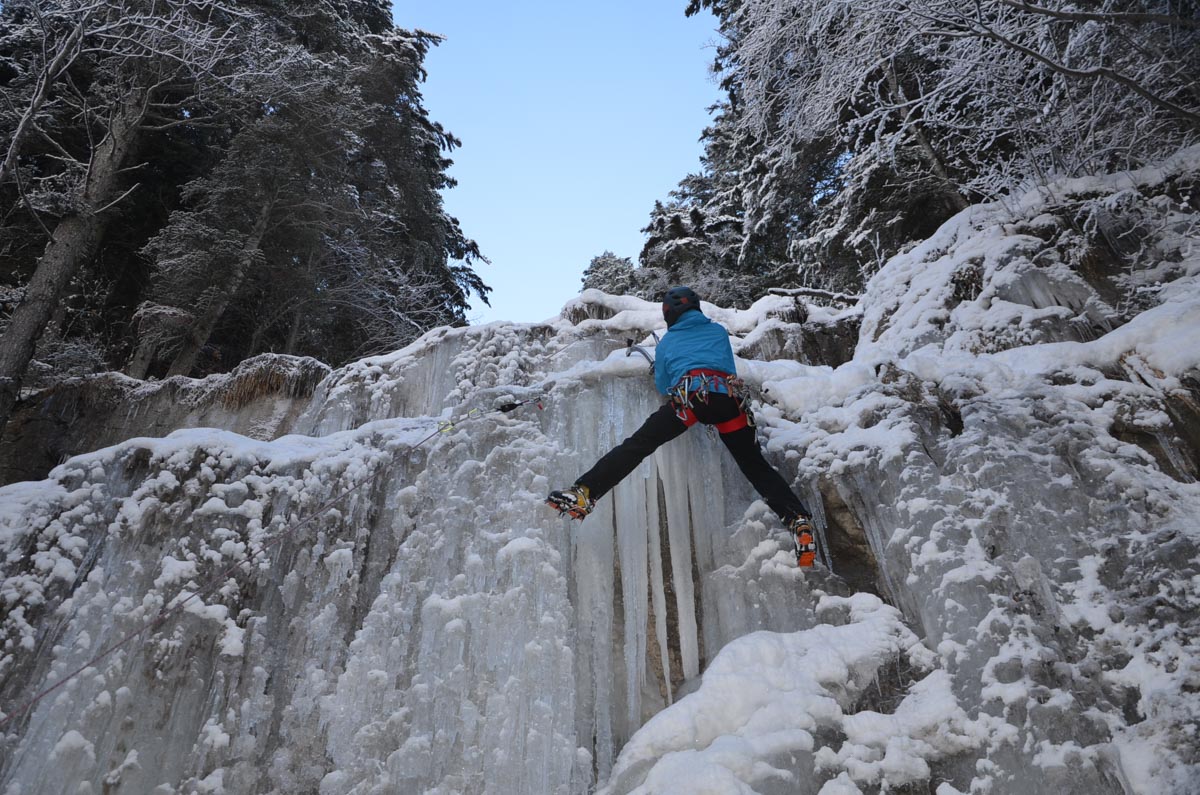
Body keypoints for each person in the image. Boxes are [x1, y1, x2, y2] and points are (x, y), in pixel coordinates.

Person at [547, 286, 818, 567]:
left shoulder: (667, 341)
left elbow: (664, 385)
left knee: (638, 446)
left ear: (669, 314)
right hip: (729, 403)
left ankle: (585, 493)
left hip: (691, 402)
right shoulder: (717, 332)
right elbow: (729, 369)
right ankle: (797, 518)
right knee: (755, 466)